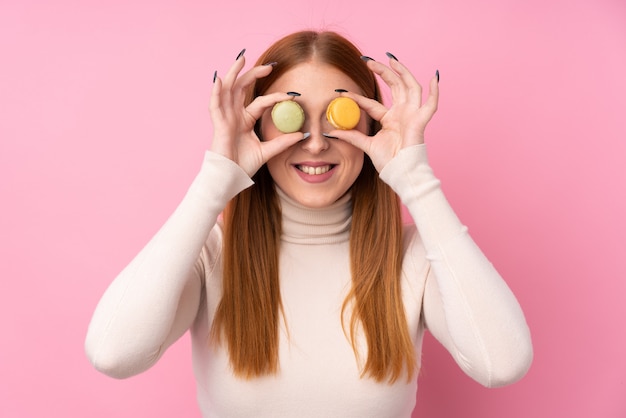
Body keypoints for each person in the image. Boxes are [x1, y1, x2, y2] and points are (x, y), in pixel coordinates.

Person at [85, 30, 533, 417]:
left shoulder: (413, 257)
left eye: (340, 116)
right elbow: (113, 354)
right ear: (257, 127)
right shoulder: (211, 253)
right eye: (291, 116)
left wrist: (413, 177)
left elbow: (502, 362)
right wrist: (216, 178)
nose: (316, 143)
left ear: (373, 128)